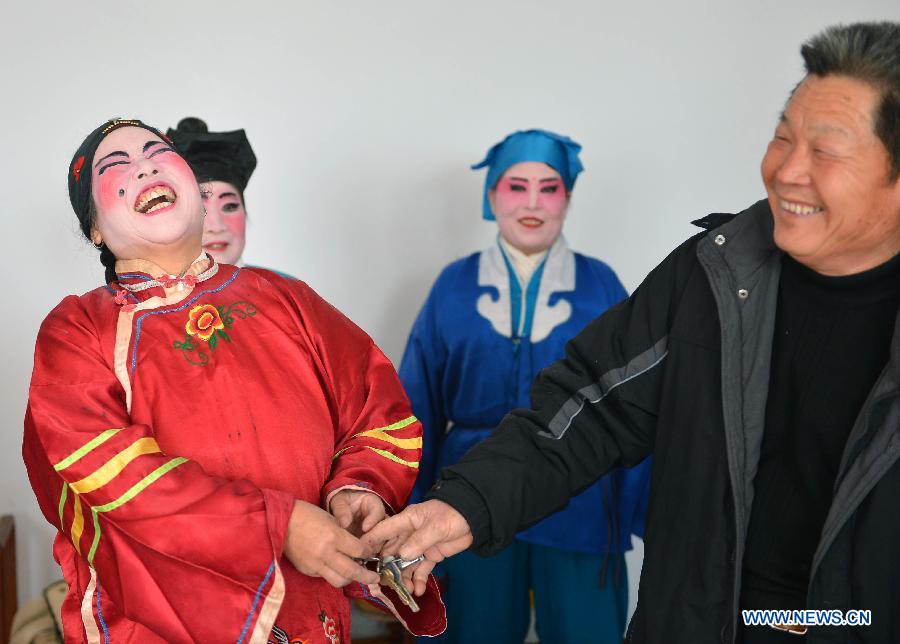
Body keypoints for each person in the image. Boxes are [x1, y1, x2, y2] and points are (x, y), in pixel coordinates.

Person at [366, 21, 900, 644]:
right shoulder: (717, 275)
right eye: (783, 137)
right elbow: (592, 403)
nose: (787, 172)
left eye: (826, 151)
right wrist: (464, 501)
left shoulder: (599, 279)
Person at [23, 119, 445, 643]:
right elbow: (110, 476)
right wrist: (276, 525)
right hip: (162, 626)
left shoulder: (287, 299)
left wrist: (360, 489)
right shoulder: (78, 329)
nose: (146, 163)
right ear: (95, 230)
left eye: (158, 150)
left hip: (310, 608)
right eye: (117, 166)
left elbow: (377, 410)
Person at [398, 129, 650, 643]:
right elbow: (415, 402)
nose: (533, 202)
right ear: (492, 197)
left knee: (587, 632)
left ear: (568, 198)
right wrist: (409, 506)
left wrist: (639, 511)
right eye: (516, 186)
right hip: (466, 499)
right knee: (474, 632)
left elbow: (636, 402)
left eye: (549, 187)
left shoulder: (602, 284)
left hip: (580, 498)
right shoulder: (453, 285)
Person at [166, 117, 262, 268]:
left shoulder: (285, 289)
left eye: (229, 206)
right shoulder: (142, 291)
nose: (216, 227)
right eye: (200, 209)